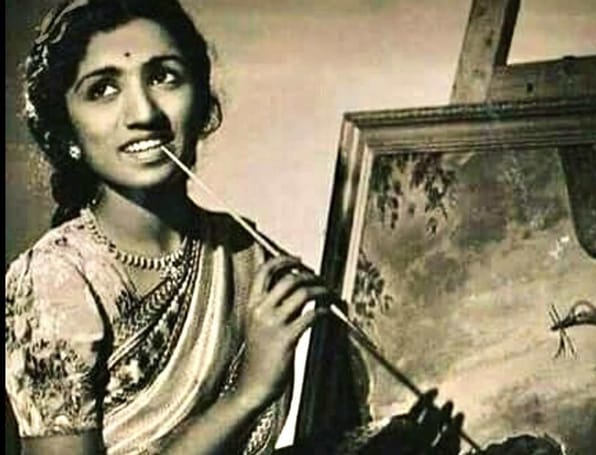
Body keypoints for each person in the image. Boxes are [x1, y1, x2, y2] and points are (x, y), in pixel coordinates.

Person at [5, 1, 465, 454]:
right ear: (65, 132)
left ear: (203, 103)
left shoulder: (246, 252)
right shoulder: (54, 279)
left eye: (164, 76)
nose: (143, 113)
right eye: (103, 89)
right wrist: (247, 392)